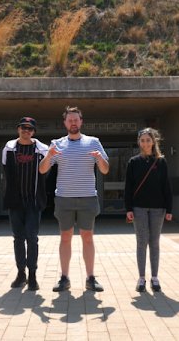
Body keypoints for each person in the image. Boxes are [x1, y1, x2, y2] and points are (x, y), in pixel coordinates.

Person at [39, 106, 109, 292]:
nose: (73, 123)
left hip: (87, 198)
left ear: (81, 122)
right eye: (70, 120)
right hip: (64, 199)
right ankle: (64, 278)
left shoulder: (94, 142)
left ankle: (91, 278)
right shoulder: (57, 144)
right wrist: (49, 156)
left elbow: (105, 169)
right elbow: (43, 169)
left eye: (76, 120)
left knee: (87, 238)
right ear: (65, 123)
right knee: (65, 238)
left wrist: (100, 158)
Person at [2, 117, 50, 291]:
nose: (26, 131)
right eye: (23, 127)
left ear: (34, 132)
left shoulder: (42, 149)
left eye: (30, 129)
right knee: (18, 238)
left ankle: (32, 275)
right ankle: (20, 273)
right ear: (18, 129)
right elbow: (6, 171)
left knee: (32, 238)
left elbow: (45, 174)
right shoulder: (9, 148)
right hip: (16, 202)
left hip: (32, 203)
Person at [124, 128, 172, 292]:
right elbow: (128, 187)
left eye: (148, 140)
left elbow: (167, 187)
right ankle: (142, 278)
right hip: (139, 208)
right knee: (141, 242)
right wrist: (128, 208)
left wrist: (169, 208)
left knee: (155, 243)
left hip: (158, 208)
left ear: (153, 142)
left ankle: (155, 278)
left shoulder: (161, 162)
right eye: (142, 140)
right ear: (139, 142)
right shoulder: (133, 162)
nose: (145, 143)